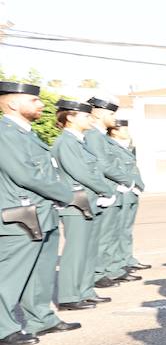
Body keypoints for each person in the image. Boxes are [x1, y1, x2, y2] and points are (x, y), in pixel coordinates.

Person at [0, 81, 80, 345]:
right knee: (10, 276)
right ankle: (3, 328)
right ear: (13, 103)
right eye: (34, 100)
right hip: (20, 213)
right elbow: (26, 175)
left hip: (41, 211)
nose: (41, 104)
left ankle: (41, 318)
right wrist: (66, 195)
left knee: (40, 273)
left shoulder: (26, 133)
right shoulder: (5, 133)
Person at [52, 99, 114, 311]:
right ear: (70, 117)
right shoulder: (66, 142)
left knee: (88, 250)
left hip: (89, 202)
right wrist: (106, 190)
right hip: (76, 204)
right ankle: (69, 296)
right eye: (86, 116)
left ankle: (85, 291)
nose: (91, 119)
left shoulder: (79, 142)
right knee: (76, 251)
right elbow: (81, 173)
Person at [84, 97, 138, 289]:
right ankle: (100, 273)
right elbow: (104, 165)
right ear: (98, 114)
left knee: (112, 234)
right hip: (105, 192)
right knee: (103, 237)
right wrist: (128, 181)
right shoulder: (93, 136)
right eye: (111, 113)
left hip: (112, 191)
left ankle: (111, 269)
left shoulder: (100, 136)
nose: (114, 118)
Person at [107, 120, 149, 274]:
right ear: (114, 131)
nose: (127, 132)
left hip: (131, 192)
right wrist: (131, 184)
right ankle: (119, 262)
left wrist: (139, 185)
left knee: (126, 230)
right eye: (124, 129)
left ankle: (127, 259)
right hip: (122, 191)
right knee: (118, 230)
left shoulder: (127, 147)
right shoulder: (110, 146)